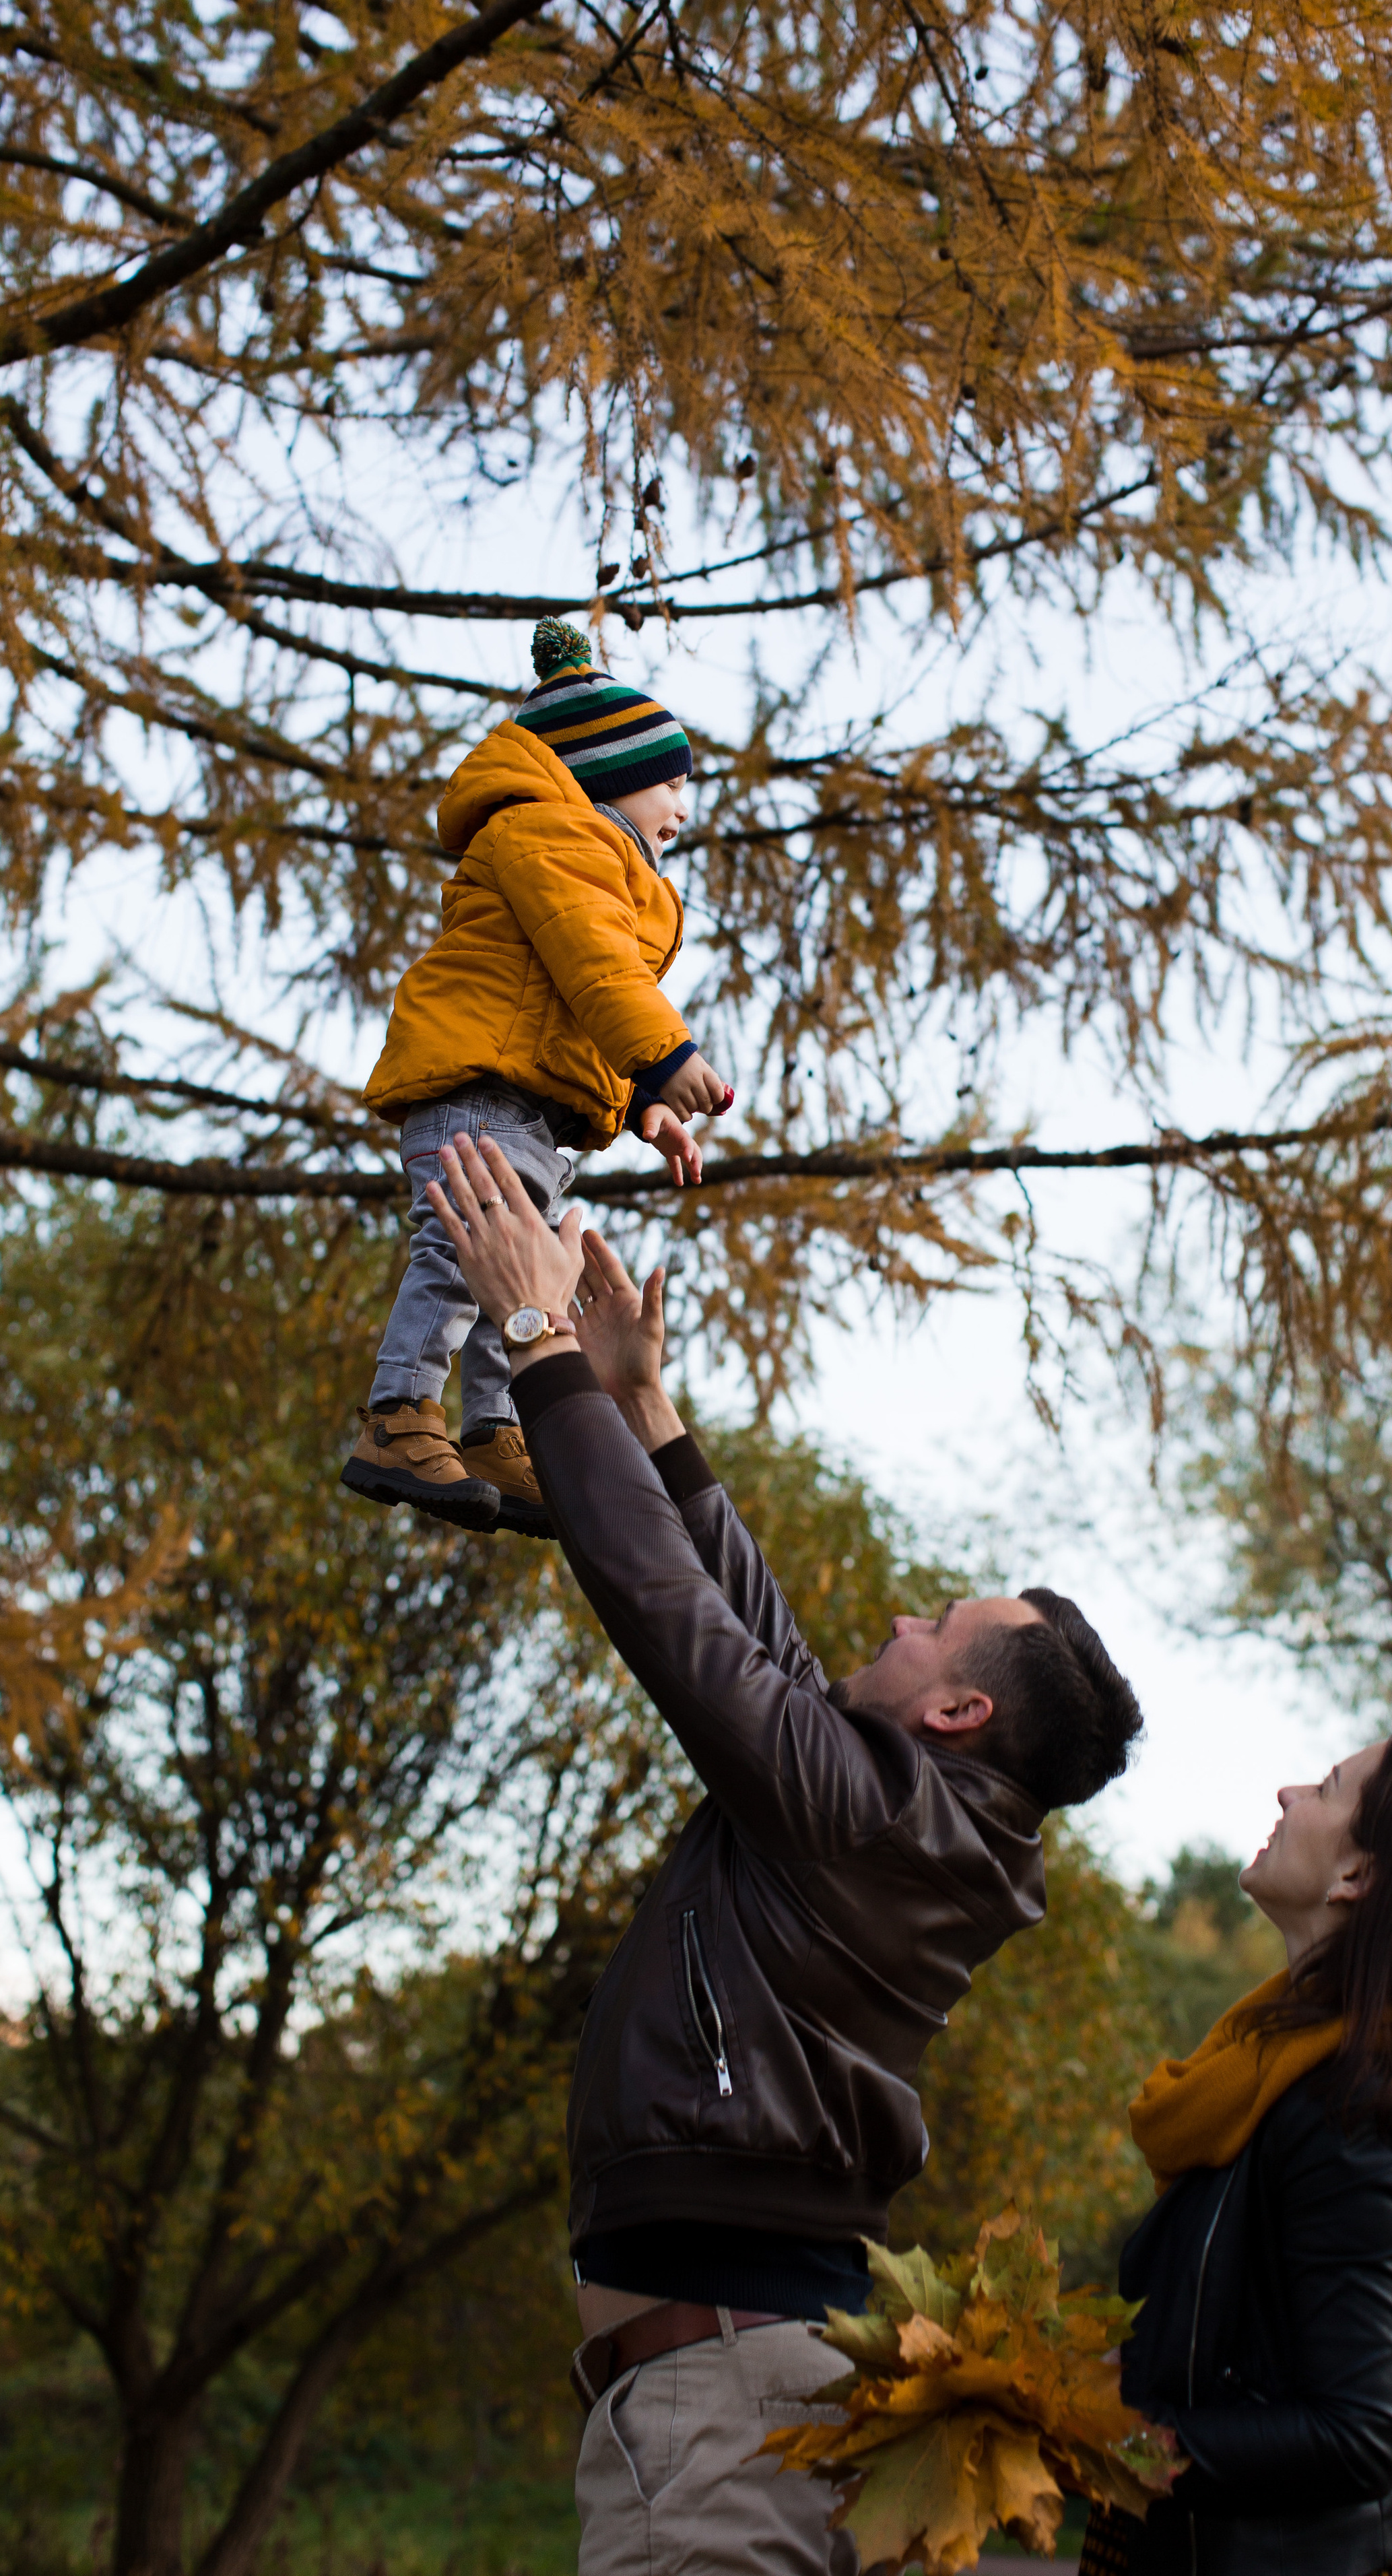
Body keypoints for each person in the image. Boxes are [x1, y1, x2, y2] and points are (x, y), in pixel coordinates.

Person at [418, 1127, 1146, 2576]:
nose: (888, 1626)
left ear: (953, 1708)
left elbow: (679, 1623)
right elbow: (763, 1651)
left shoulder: (869, 1811)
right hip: (703, 2396)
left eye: (927, 1627)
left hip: (728, 2408)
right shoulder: (899, 1812)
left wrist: (535, 1341)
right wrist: (644, 1402)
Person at [1080, 1725, 1392, 2576]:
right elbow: (1251, 2346)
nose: (1288, 1794)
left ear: (1359, 1876)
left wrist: (1114, 2436)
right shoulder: (1280, 2081)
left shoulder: (1353, 2119)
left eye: (1325, 1787)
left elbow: (1353, 2436)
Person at [341, 618, 731, 1539]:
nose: (684, 805)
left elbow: (563, 1003)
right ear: (606, 775)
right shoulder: (549, 838)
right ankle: (398, 1416)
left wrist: (639, 1104)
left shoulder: (584, 853)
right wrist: (666, 1057)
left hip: (528, 1108)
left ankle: (493, 1432)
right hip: (479, 1094)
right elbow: (594, 964)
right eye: (673, 781)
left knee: (515, 1284)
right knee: (459, 1258)